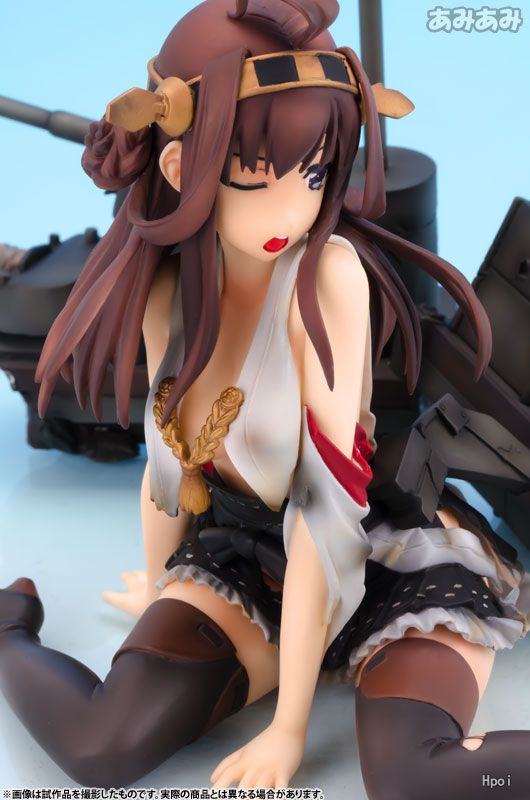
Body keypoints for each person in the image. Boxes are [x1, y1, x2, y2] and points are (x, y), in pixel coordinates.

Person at [1, 0, 529, 795]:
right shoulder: (166, 292)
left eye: (314, 173)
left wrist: (289, 730)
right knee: (102, 747)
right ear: (179, 169)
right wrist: (160, 580)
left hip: (383, 550)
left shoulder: (330, 278)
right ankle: (8, 633)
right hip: (250, 559)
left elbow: (326, 510)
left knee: (411, 777)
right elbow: (168, 458)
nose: (292, 209)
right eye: (253, 175)